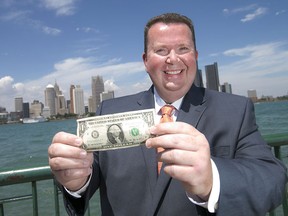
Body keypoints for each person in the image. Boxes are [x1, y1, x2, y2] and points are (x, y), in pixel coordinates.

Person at [48, 13, 287, 216]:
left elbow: (272, 179)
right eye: (161, 50)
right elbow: (90, 177)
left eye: (183, 48)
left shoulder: (236, 110)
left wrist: (212, 179)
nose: (173, 59)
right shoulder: (109, 111)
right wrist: (76, 181)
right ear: (145, 60)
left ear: (195, 55)